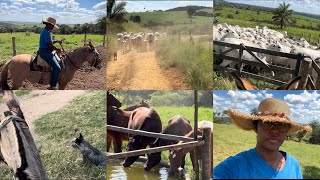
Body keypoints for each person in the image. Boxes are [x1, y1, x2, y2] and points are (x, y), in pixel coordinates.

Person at [214, 98, 312, 179]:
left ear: (287, 132)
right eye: (267, 123)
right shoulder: (233, 167)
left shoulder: (294, 165)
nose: (275, 130)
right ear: (256, 127)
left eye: (282, 125)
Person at [39, 17, 63, 90]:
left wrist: (57, 41)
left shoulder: (45, 31)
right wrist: (57, 49)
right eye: (52, 26)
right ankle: (52, 86)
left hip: (45, 50)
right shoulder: (46, 32)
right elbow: (50, 45)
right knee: (57, 68)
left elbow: (50, 42)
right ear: (49, 24)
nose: (53, 27)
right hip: (45, 52)